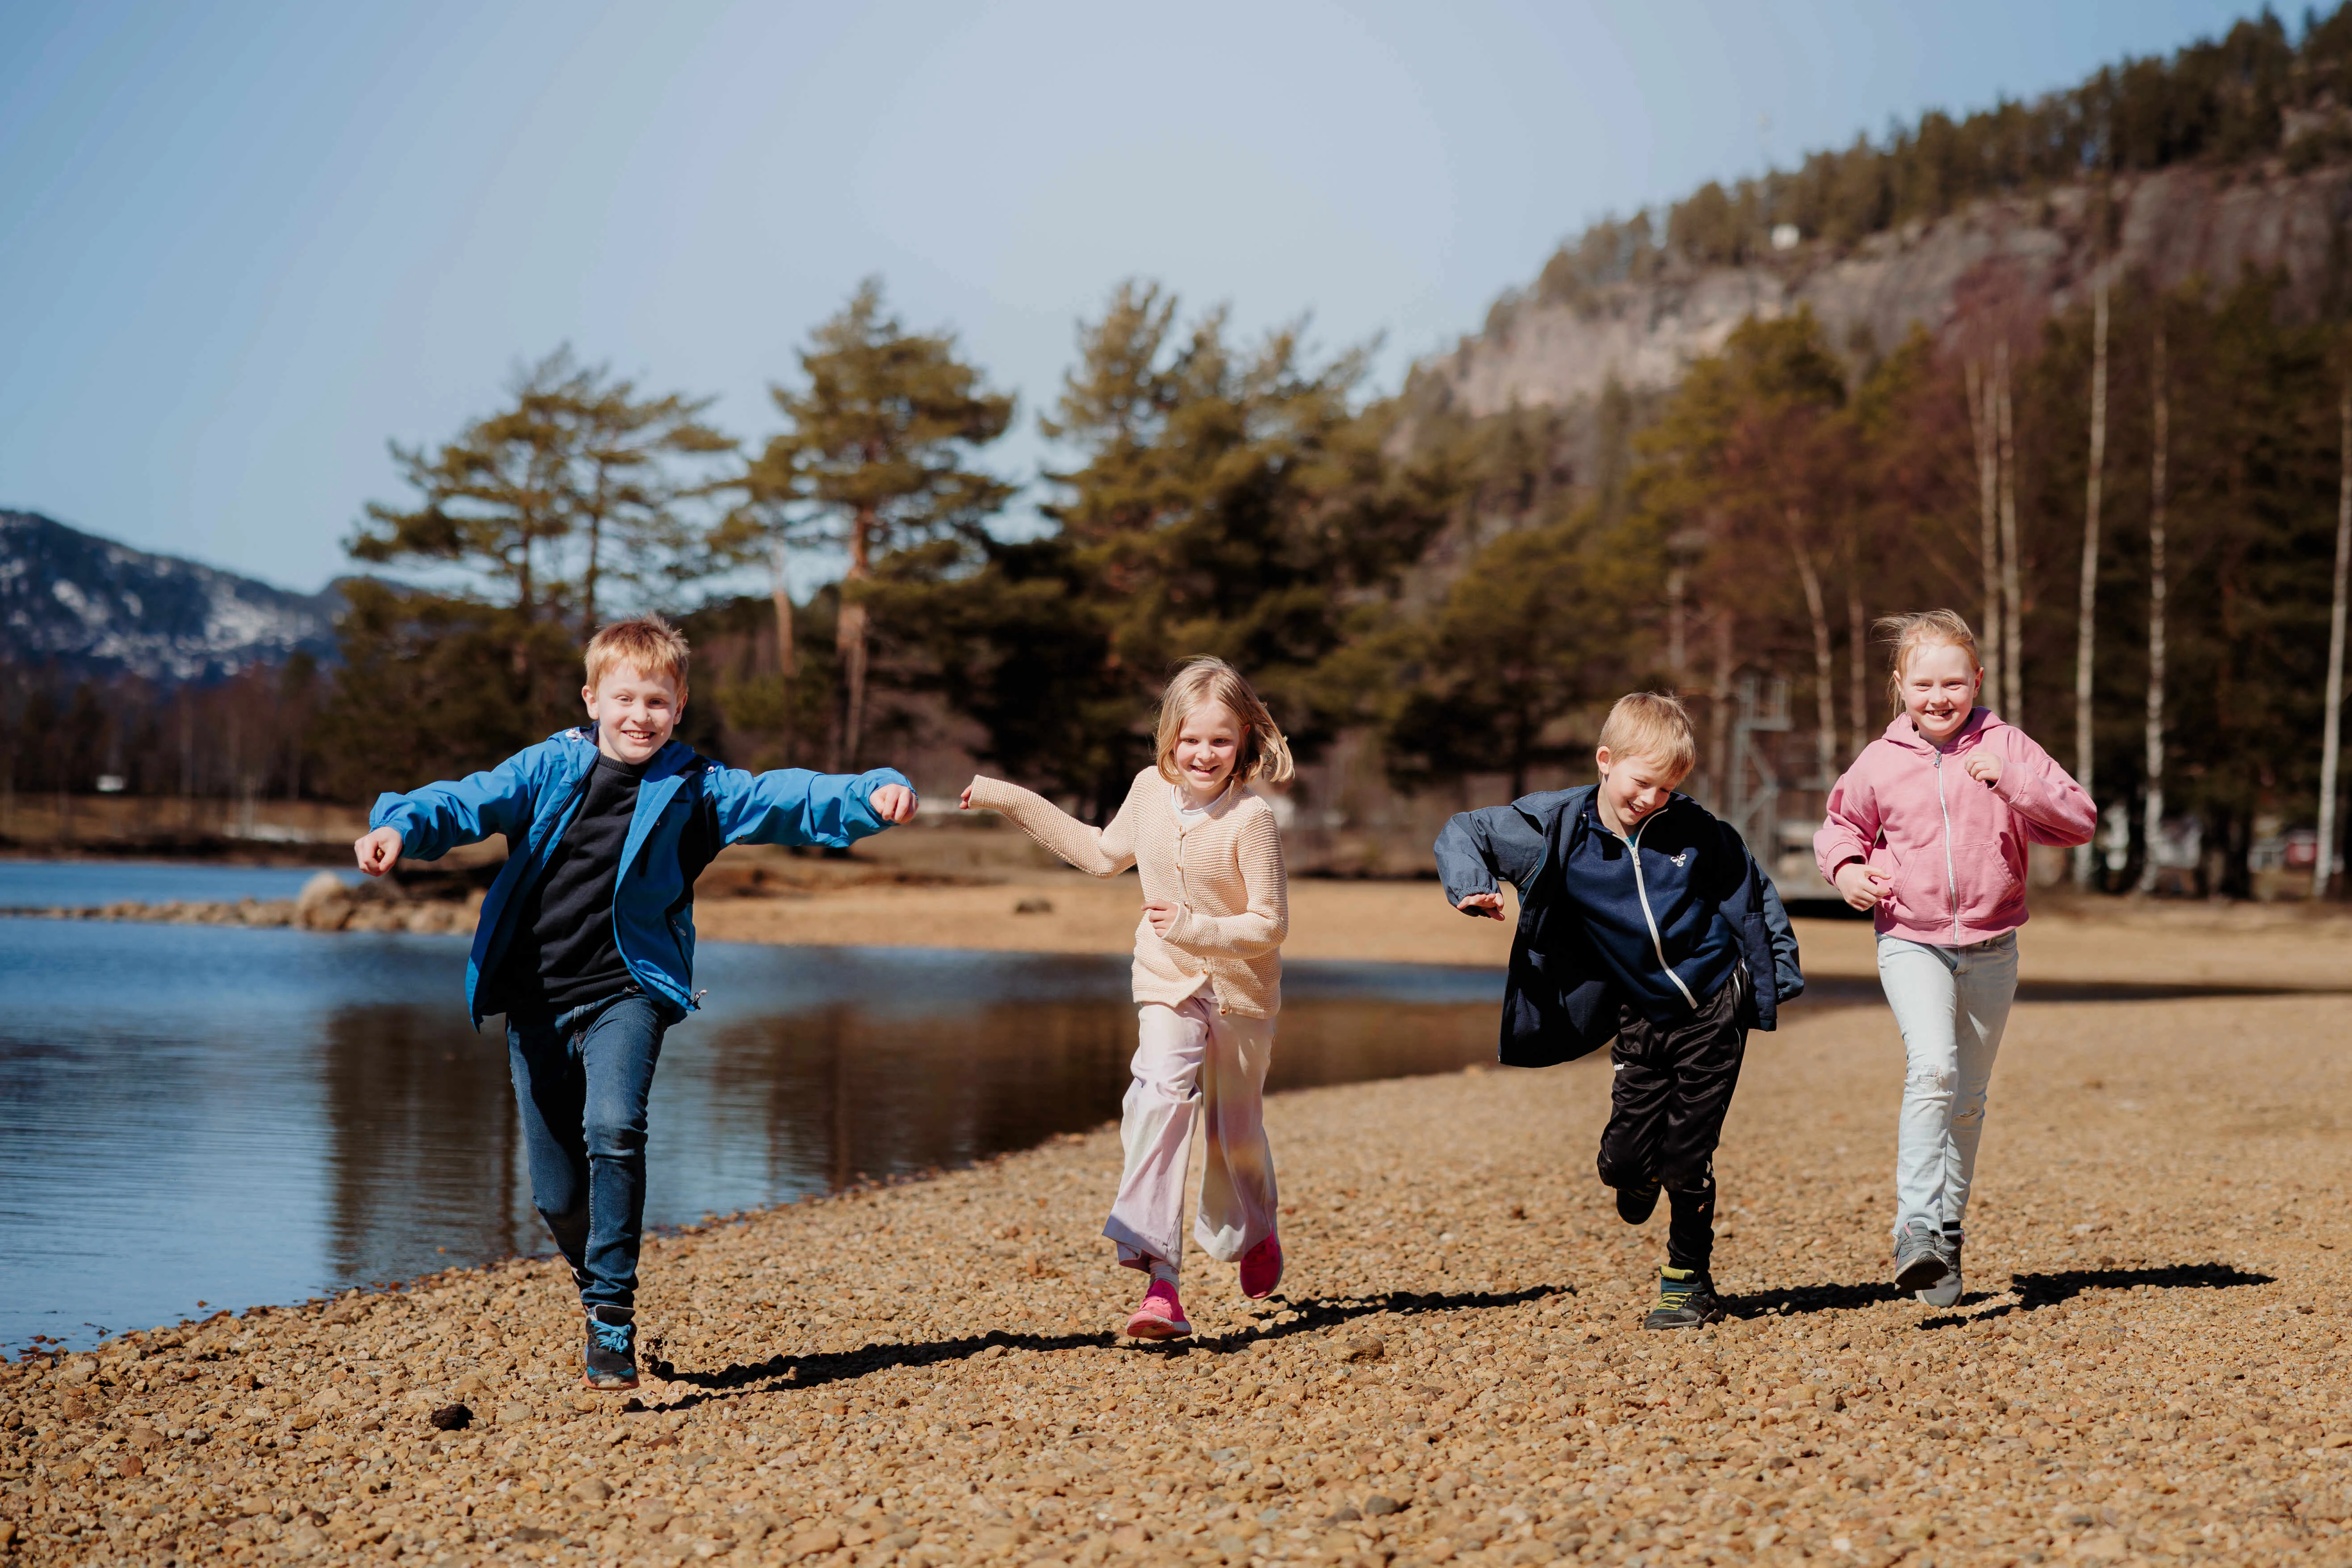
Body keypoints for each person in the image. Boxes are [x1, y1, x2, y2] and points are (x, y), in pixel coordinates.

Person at [352, 615, 918, 1390]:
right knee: (555, 1194)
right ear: (592, 699)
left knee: (614, 1124)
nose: (639, 715)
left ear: (679, 706)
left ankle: (612, 1317)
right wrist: (399, 825)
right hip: (536, 1000)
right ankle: (597, 1289)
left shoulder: (696, 788)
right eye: (623, 698)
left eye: (657, 701)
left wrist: (869, 792)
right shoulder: (548, 770)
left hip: (629, 990)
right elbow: (466, 802)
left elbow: (787, 797)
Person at [1435, 692, 1804, 1331]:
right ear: (1606, 761)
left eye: (1667, 788)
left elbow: (1753, 891)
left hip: (1714, 1003)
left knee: (1690, 1155)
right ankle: (1640, 1173)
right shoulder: (1559, 827)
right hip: (1639, 1012)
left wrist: (1772, 981)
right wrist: (1473, 883)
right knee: (1624, 1163)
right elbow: (1463, 829)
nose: (1653, 799)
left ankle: (1687, 1281)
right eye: (1642, 782)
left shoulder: (1697, 831)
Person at [960, 658, 1291, 1340]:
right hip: (1166, 980)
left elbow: (1271, 924)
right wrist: (1006, 797)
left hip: (1241, 992)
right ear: (1169, 736)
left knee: (1236, 1131)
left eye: (1220, 741)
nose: (1203, 754)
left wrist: (1199, 927)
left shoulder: (1252, 819)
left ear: (1244, 743)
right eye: (1191, 739)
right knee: (1156, 1101)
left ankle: (1257, 1229)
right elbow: (1101, 853)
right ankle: (1160, 1279)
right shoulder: (1147, 790)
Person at [1815, 610, 2096, 1308]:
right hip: (1910, 938)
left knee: (1967, 1101)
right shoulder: (1879, 761)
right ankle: (1913, 1227)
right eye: (1923, 684)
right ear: (1899, 686)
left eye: (1953, 683)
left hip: (1994, 944)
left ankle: (1947, 1234)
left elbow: (2079, 820)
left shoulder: (2008, 746)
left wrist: (2011, 781)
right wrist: (1847, 871)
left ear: (1976, 680)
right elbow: (1840, 827)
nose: (1938, 698)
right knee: (1934, 1067)